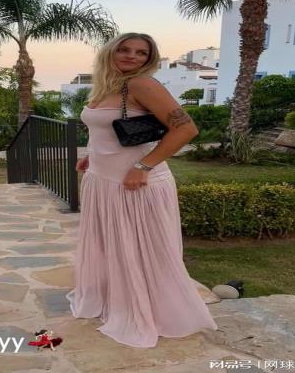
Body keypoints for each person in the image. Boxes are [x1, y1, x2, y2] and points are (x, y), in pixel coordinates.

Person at [65, 32, 219, 348]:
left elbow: (186, 129)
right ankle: (121, 299)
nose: (132, 57)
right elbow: (104, 130)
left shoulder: (142, 85)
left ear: (149, 59)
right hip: (104, 179)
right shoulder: (108, 85)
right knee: (115, 247)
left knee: (143, 251)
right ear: (110, 52)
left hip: (136, 183)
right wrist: (91, 156)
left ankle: (153, 310)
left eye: (141, 53)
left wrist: (143, 166)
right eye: (125, 49)